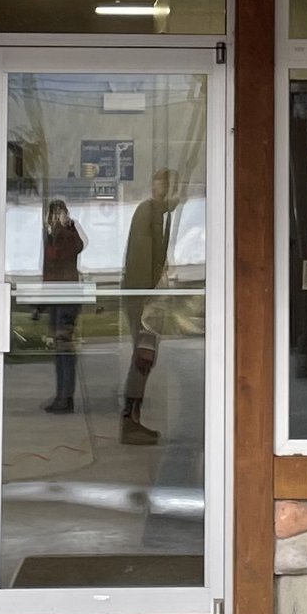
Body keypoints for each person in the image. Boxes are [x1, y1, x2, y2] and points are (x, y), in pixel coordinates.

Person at [118, 170, 177, 445]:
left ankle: (133, 417)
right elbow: (143, 258)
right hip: (143, 297)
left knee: (145, 356)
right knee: (143, 356)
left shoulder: (160, 214)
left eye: (168, 184)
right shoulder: (149, 211)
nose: (164, 188)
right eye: (161, 182)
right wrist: (148, 299)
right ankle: (130, 419)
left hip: (147, 296)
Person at [39, 196, 86, 412]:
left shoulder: (65, 236)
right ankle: (62, 395)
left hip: (66, 298)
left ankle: (66, 397)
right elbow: (49, 269)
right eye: (53, 214)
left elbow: (75, 249)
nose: (55, 218)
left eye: (59, 214)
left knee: (64, 348)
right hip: (57, 296)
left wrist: (70, 225)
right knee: (60, 349)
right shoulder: (52, 236)